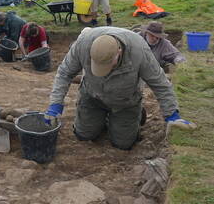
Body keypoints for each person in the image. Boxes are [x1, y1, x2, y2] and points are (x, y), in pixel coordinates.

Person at [45, 27, 195, 150]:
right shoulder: (82, 44)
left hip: (125, 102)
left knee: (123, 144)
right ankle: (98, 120)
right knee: (84, 135)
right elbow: (64, 73)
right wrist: (55, 105)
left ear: (119, 52)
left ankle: (136, 115)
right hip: (92, 96)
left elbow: (160, 84)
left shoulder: (139, 50)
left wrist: (172, 115)